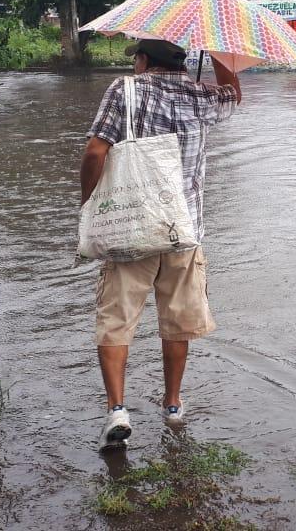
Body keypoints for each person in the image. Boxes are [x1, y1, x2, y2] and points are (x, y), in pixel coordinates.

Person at [80, 39, 242, 451]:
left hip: (129, 228)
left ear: (143, 60)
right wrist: (220, 51)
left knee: (116, 319)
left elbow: (95, 152)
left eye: (135, 58)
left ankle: (117, 410)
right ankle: (172, 405)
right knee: (177, 321)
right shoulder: (202, 95)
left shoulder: (124, 90)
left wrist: (87, 205)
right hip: (183, 232)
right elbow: (233, 95)